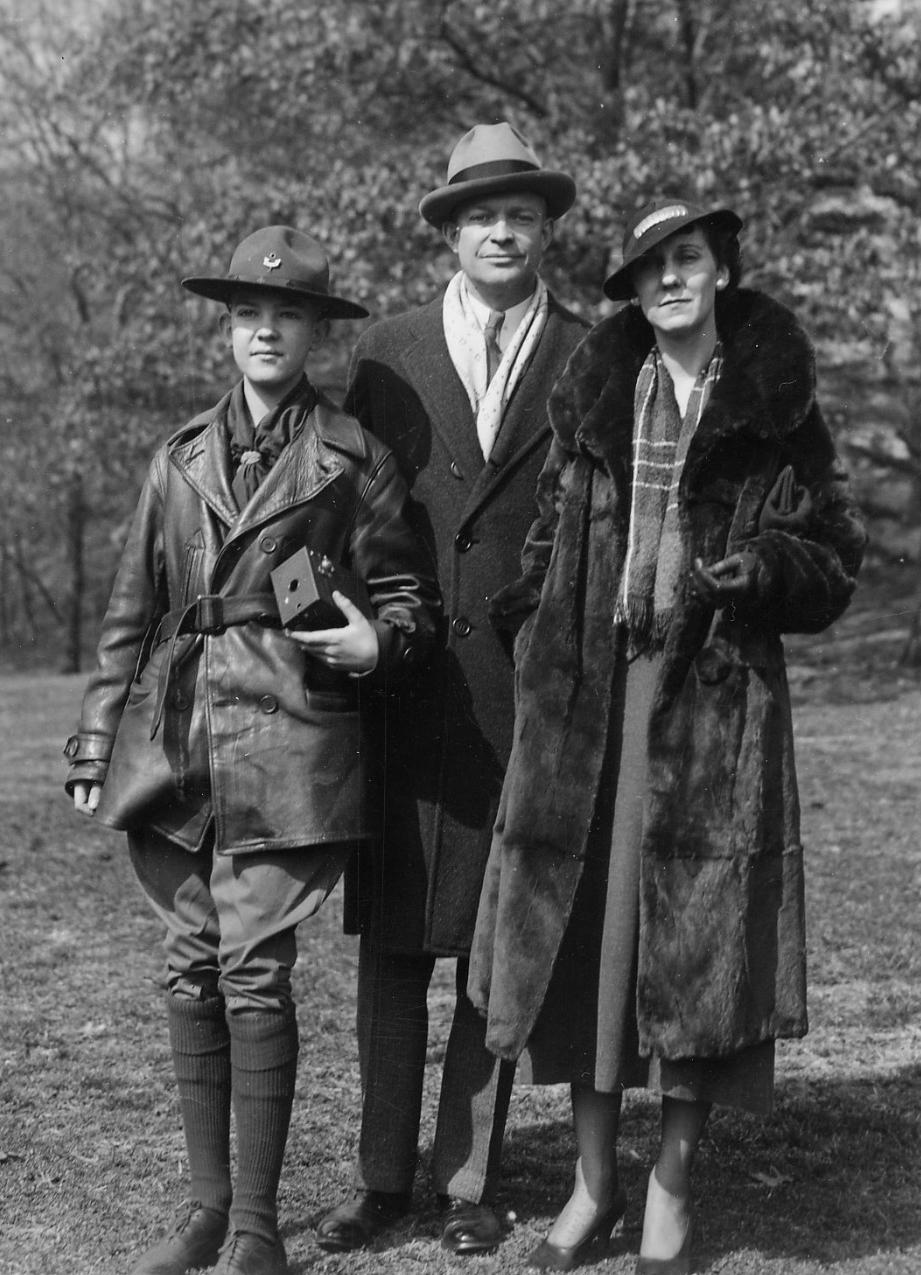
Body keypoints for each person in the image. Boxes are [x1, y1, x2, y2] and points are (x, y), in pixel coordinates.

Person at [468, 196, 867, 1273]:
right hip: (590, 704)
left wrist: (769, 569)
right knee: (589, 951)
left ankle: (671, 1186)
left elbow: (832, 559)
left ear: (719, 268)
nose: (670, 281)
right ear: (636, 294)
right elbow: (551, 535)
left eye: (685, 259)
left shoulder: (774, 408)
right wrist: (527, 625)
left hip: (714, 709)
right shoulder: (596, 400)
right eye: (649, 271)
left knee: (696, 961)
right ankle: (591, 1185)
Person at [63, 225, 438, 1275]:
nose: (264, 331)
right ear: (227, 333)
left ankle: (260, 1232)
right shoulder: (177, 457)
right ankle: (205, 1209)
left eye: (285, 315)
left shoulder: (352, 458)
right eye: (244, 316)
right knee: (189, 970)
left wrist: (376, 641)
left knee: (256, 974)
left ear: (319, 332)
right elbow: (128, 614)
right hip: (178, 748)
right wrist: (96, 737)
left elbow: (406, 602)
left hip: (291, 743)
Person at [315, 123, 587, 1256]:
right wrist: (331, 625)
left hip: (526, 696)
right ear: (449, 230)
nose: (501, 229)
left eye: (520, 212)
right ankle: (383, 1182)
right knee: (391, 947)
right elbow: (325, 512)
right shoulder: (382, 352)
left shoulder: (591, 351)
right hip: (402, 688)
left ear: (544, 228)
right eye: (480, 213)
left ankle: (468, 1183)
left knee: (496, 945)